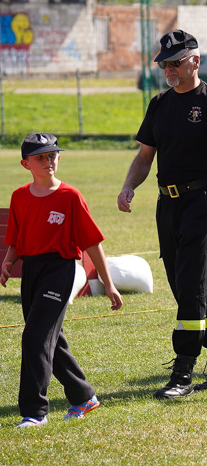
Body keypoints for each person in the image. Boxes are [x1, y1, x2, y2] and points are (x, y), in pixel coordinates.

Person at [117, 30, 207, 399]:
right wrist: (128, 185)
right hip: (166, 203)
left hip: (204, 199)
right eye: (164, 63)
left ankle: (182, 373)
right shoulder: (158, 104)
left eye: (176, 62)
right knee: (187, 285)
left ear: (195, 61)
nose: (169, 69)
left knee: (191, 284)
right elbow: (144, 156)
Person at [3, 133, 123, 428]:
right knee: (49, 340)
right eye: (40, 157)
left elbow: (93, 243)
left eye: (52, 155)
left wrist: (108, 284)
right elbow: (16, 240)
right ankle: (83, 396)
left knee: (34, 337)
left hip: (60, 270)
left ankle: (34, 413)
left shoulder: (70, 196)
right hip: (31, 270)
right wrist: (8, 261)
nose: (48, 161)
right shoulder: (19, 196)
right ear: (25, 163)